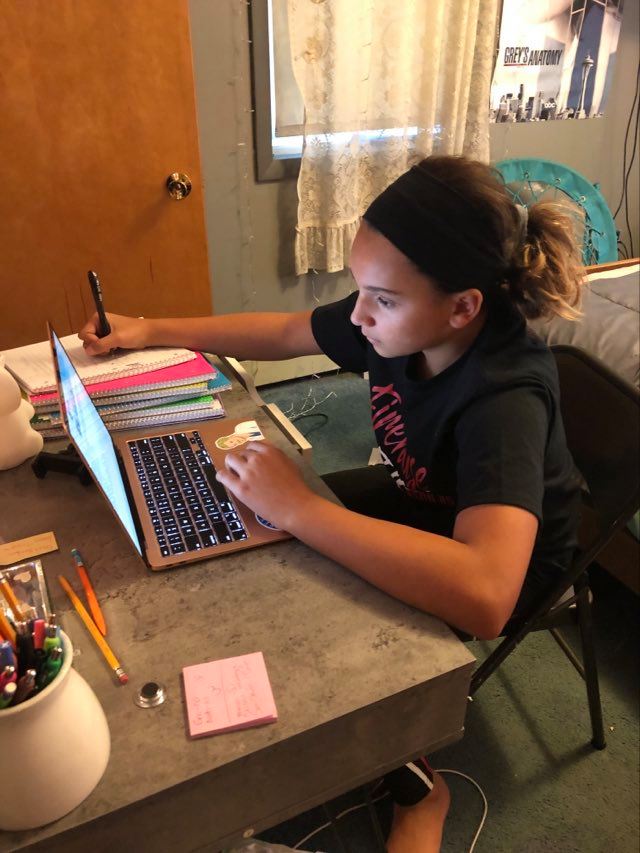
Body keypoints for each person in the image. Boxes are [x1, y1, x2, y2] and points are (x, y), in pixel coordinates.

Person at [79, 155, 584, 852]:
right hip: (426, 507)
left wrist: (303, 510)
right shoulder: (399, 322)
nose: (359, 313)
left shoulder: (505, 396)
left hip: (503, 564)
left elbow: (488, 594)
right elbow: (288, 332)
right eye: (359, 288)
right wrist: (149, 328)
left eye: (382, 298)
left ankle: (419, 786)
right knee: (259, 539)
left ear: (463, 306)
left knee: (309, 586)